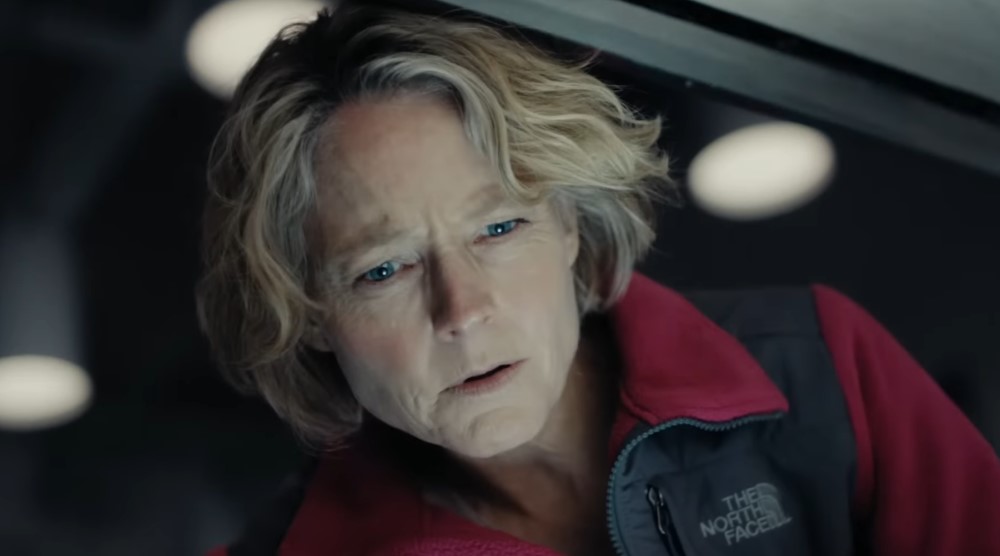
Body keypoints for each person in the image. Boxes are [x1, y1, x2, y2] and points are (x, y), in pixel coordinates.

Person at [196, 2, 1000, 555]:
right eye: (383, 269)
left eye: (499, 228)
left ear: (572, 227)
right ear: (307, 311)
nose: (463, 309)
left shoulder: (821, 368)